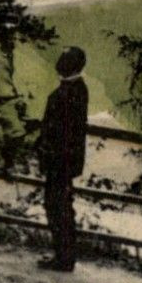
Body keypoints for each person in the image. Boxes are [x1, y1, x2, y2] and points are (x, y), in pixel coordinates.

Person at [36, 46, 89, 271]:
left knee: (58, 206)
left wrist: (46, 149)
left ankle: (64, 258)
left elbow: (61, 130)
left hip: (61, 160)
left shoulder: (70, 92)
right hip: (63, 159)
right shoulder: (76, 89)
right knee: (59, 205)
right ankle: (63, 256)